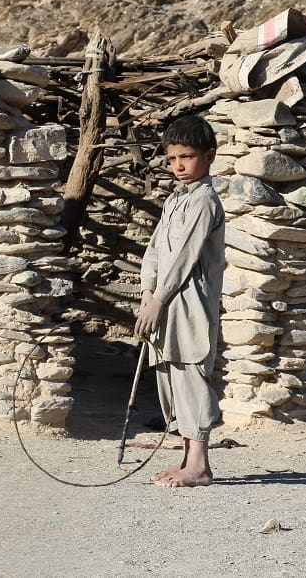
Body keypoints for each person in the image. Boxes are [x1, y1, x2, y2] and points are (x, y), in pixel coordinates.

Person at [134, 114, 225, 488]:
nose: (179, 166)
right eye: (172, 158)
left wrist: (158, 298)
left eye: (186, 157)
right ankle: (187, 459)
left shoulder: (204, 200)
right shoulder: (175, 200)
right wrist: (147, 293)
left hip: (190, 304)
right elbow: (155, 250)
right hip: (164, 301)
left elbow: (185, 255)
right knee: (170, 374)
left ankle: (200, 465)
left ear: (209, 156)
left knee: (191, 374)